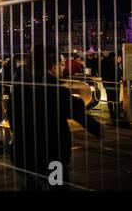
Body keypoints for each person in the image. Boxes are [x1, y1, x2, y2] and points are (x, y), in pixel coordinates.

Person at [7, 44, 102, 190]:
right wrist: (97, 129)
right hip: (52, 158)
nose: (64, 67)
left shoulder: (20, 90)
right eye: (62, 64)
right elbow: (78, 110)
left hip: (23, 156)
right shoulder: (56, 91)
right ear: (52, 67)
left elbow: (12, 118)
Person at [101, 52, 124, 124]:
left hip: (107, 85)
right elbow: (116, 74)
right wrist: (120, 78)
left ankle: (112, 114)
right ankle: (116, 115)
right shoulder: (113, 63)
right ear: (114, 57)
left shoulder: (103, 63)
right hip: (114, 84)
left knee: (110, 100)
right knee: (116, 100)